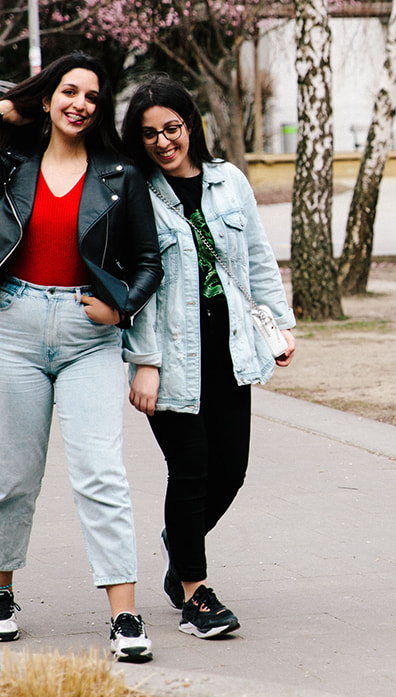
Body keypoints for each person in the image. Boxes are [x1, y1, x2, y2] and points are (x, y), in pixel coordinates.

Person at [0, 53, 162, 659]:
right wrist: (13, 105)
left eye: (92, 97)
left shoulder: (120, 174)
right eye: (68, 92)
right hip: (13, 325)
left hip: (88, 335)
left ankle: (124, 616)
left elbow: (150, 260)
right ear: (48, 99)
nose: (80, 104)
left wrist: (121, 310)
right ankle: (1, 592)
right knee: (12, 474)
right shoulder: (11, 162)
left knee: (100, 473)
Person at [121, 78, 295, 641]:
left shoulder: (228, 181)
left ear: (190, 124)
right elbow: (137, 281)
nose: (163, 142)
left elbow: (258, 260)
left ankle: (181, 542)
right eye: (149, 133)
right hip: (170, 356)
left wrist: (279, 326)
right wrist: (144, 359)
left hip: (230, 350)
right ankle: (194, 591)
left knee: (231, 470)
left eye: (171, 128)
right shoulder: (134, 192)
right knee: (191, 469)